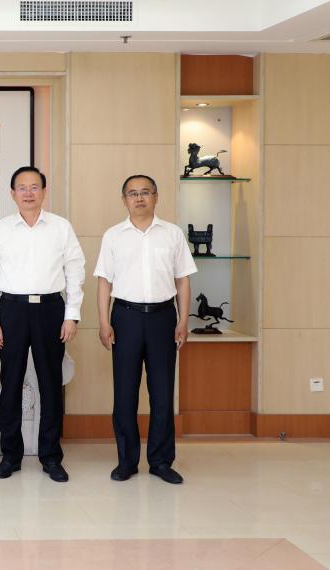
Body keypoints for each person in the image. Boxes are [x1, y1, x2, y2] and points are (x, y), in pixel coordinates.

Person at [0, 165, 85, 482]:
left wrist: (71, 315)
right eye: (22, 188)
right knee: (11, 383)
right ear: (13, 194)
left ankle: (51, 457)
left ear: (44, 191)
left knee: (50, 384)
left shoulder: (60, 227)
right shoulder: (1, 229)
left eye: (34, 187)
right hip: (11, 310)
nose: (28, 193)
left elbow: (75, 271)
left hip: (50, 309)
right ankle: (10, 456)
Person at [95, 174, 196, 485]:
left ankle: (161, 461)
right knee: (125, 393)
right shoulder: (113, 236)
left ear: (156, 196)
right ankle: (126, 461)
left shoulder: (173, 234)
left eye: (145, 192)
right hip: (125, 317)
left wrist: (183, 319)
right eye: (132, 193)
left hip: (163, 318)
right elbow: (104, 282)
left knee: (162, 394)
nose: (139, 198)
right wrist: (104, 321)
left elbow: (182, 280)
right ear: (124, 200)